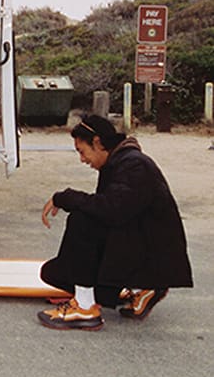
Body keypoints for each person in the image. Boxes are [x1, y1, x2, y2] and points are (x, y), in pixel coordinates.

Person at [37, 114, 193, 331]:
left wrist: (66, 197)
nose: (82, 159)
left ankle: (85, 309)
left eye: (82, 151)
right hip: (136, 249)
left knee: (83, 220)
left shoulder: (135, 165)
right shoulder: (118, 162)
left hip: (152, 258)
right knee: (55, 274)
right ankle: (142, 289)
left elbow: (110, 210)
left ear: (98, 142)